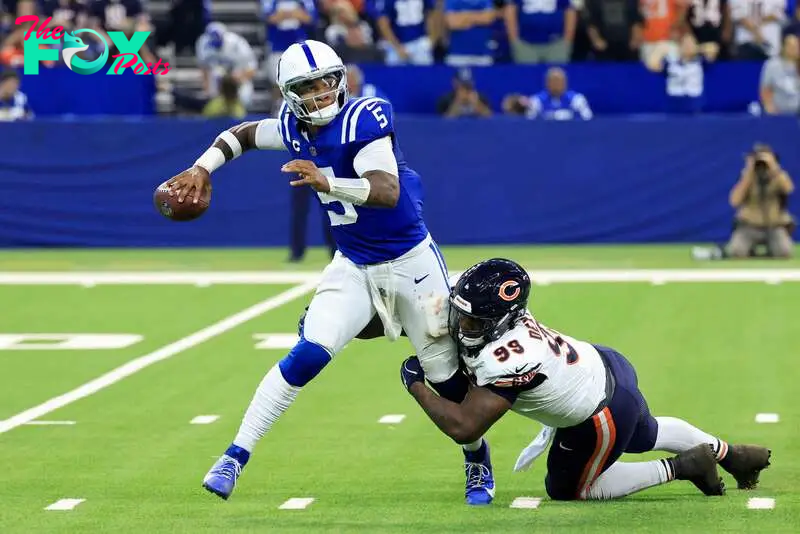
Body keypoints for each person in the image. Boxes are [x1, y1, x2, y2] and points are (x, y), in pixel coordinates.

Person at [165, 40, 494, 505]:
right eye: (308, 86)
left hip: (410, 263)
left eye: (327, 81)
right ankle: (235, 456)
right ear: (288, 92)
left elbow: (385, 191)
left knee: (445, 377)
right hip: (354, 265)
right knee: (309, 354)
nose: (321, 93)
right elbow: (240, 135)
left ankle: (476, 457)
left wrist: (327, 181)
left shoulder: (366, 117)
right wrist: (202, 167)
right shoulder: (290, 125)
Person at [399, 258, 771, 502]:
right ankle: (732, 455)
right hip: (604, 365)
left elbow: (465, 426)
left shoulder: (513, 356)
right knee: (644, 434)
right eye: (463, 316)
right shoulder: (474, 298)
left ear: (505, 319)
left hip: (599, 412)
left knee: (568, 489)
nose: (463, 326)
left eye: (475, 322)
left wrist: (415, 383)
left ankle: (683, 467)